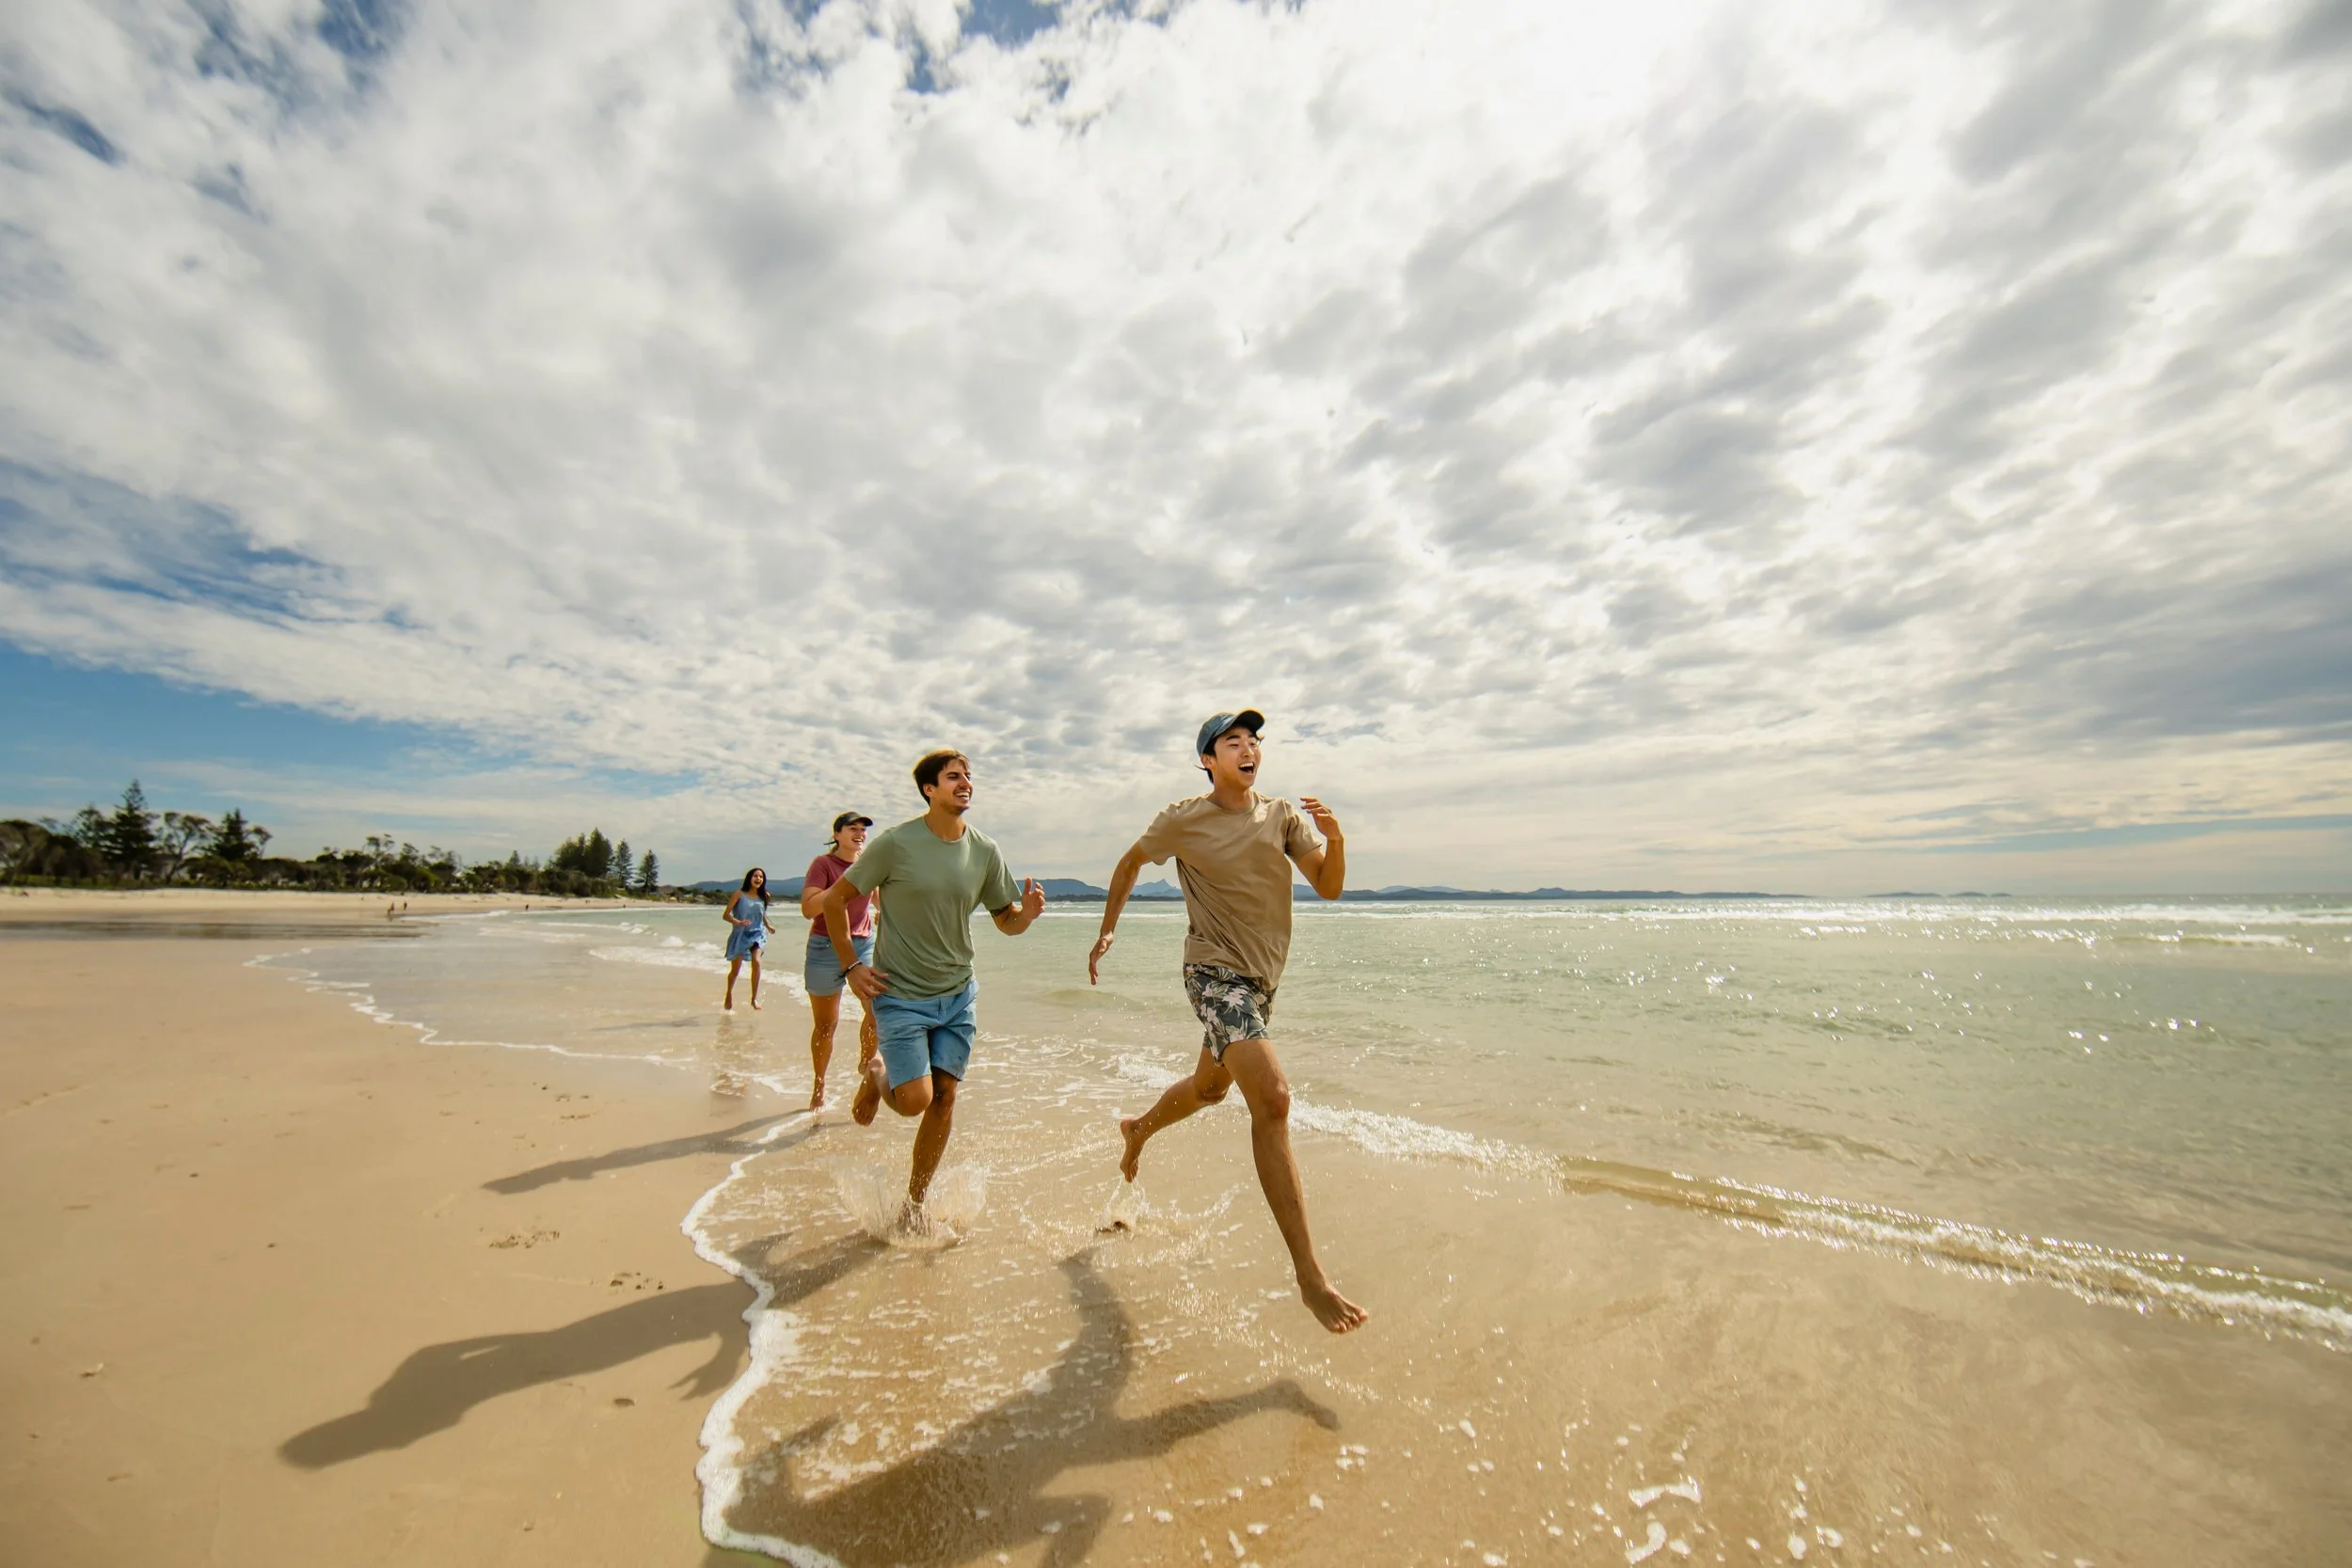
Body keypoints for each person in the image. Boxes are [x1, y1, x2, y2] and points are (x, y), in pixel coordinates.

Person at [1089, 709, 1368, 1334]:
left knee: (1211, 1089)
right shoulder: (1183, 818)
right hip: (1212, 975)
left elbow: (1327, 885)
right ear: (1208, 760)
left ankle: (1138, 1129)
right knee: (1272, 1098)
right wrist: (1107, 928)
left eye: (1254, 741)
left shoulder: (1282, 817)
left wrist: (1337, 839)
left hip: (1261, 981)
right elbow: (1131, 863)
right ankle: (1309, 1276)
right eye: (1233, 741)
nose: (1248, 749)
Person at [820, 750, 1045, 1213]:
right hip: (899, 994)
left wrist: (1029, 916)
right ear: (929, 789)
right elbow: (833, 902)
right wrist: (851, 967)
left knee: (945, 1099)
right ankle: (877, 1073)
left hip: (958, 994)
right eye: (953, 777)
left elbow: (1006, 920)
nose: (965, 783)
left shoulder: (984, 850)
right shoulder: (895, 844)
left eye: (968, 777)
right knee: (914, 1102)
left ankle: (914, 1205)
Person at [800, 812, 882, 1110]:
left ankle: (865, 1065)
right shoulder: (823, 865)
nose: (859, 833)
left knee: (878, 1009)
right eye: (853, 828)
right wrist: (843, 886)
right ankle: (818, 1086)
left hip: (863, 944)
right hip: (825, 947)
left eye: (863, 830)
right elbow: (808, 909)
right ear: (837, 834)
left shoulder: (870, 864)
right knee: (825, 1025)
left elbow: (881, 902)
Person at [722, 867, 775, 1011]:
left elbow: (762, 914)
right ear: (749, 878)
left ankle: (754, 999)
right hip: (740, 934)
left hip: (758, 933)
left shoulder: (765, 896)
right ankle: (729, 994)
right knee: (735, 970)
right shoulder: (739, 894)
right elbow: (726, 915)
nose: (758, 879)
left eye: (761, 877)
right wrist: (738, 922)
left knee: (757, 961)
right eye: (755, 876)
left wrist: (768, 925)